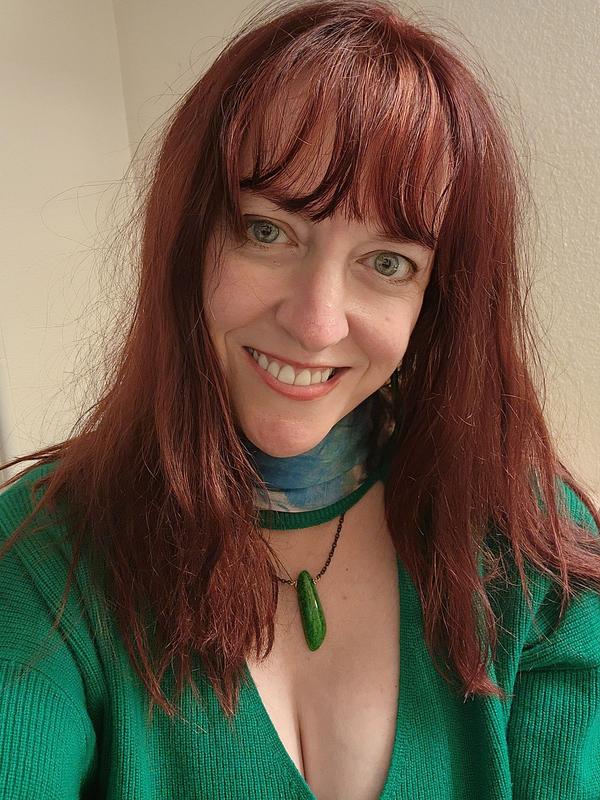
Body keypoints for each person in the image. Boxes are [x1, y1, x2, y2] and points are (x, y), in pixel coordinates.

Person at [1, 0, 599, 797]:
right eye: (268, 230)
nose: (316, 323)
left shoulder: (531, 548)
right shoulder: (43, 557)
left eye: (387, 262)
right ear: (189, 240)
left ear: (437, 303)